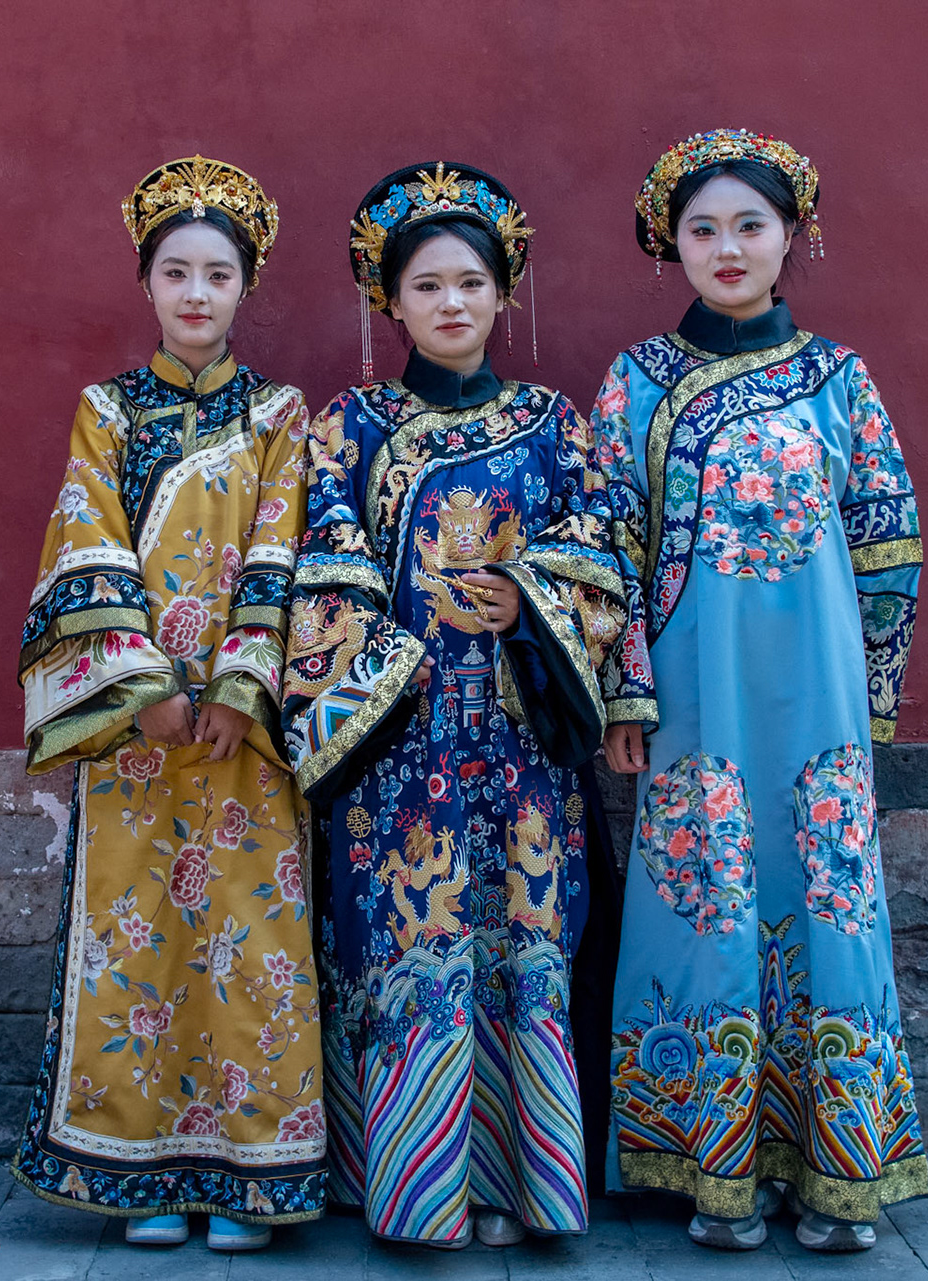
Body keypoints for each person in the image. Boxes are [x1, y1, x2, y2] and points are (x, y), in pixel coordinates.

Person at [593, 130, 928, 1252]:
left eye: (750, 225)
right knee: (705, 904)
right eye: (702, 228)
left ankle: (841, 1172)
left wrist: (874, 690)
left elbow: (889, 544)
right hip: (696, 702)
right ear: (671, 244)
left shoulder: (841, 381)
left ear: (794, 236)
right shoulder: (636, 383)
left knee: (830, 903)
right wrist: (625, 692)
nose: (727, 247)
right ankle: (715, 1173)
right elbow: (608, 550)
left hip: (820, 703)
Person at [282, 162, 625, 1249]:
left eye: (471, 283)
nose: (451, 304)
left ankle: (523, 1184)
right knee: (409, 947)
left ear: (503, 292)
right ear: (389, 301)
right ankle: (420, 1189)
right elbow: (321, 568)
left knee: (524, 947)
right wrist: (390, 661)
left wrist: (527, 601)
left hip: (524, 745)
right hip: (403, 745)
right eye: (427, 286)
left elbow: (602, 555)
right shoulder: (349, 428)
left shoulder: (555, 425)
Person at [10, 156, 323, 1252]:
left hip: (244, 725)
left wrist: (242, 683)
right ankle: (138, 1167)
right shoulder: (106, 411)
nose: (197, 293)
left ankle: (249, 1173)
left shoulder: (280, 414)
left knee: (251, 931)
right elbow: (85, 543)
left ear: (246, 288)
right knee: (134, 932)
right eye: (176, 272)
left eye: (218, 275)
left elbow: (282, 549)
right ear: (146, 283)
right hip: (136, 723)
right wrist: (140, 686)